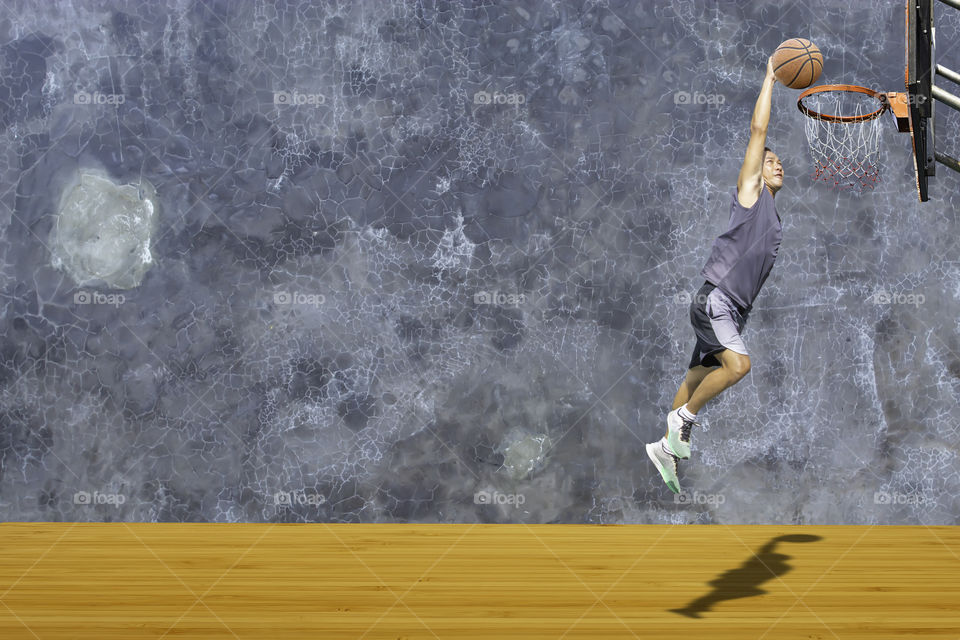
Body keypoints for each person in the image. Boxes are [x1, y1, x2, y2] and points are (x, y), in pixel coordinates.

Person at [647, 56, 784, 494]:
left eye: (780, 162)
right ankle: (683, 421)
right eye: (770, 162)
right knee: (739, 365)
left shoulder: (774, 214)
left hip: (731, 310)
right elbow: (758, 133)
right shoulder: (750, 192)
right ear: (756, 171)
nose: (778, 165)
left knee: (695, 379)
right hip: (717, 299)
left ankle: (664, 449)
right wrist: (769, 78)